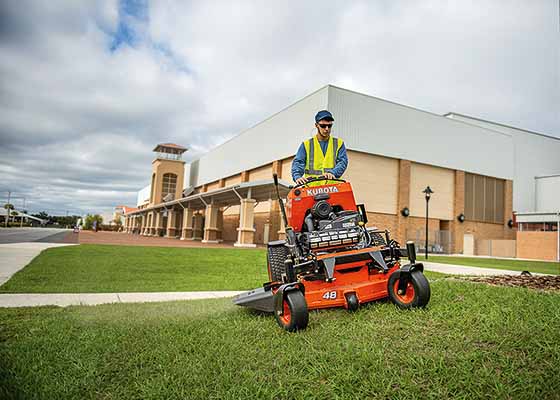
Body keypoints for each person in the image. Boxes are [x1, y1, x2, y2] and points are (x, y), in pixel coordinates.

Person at [292, 110, 348, 186]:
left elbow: (342, 162)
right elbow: (298, 162)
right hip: (311, 190)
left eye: (329, 126)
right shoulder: (306, 145)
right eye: (323, 126)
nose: (327, 129)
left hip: (332, 190)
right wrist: (297, 176)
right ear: (316, 125)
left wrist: (333, 173)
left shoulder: (339, 144)